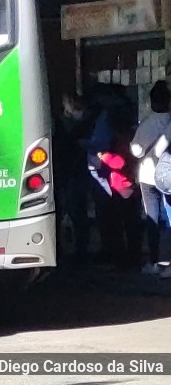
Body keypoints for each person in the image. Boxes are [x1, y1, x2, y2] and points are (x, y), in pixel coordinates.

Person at [87, 84, 134, 263]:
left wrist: (101, 155)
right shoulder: (124, 112)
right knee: (124, 217)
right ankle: (124, 253)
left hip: (111, 172)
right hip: (117, 173)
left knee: (111, 215)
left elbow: (114, 150)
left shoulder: (112, 114)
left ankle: (116, 254)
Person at [131, 81, 171, 275]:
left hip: (148, 176)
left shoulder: (147, 123)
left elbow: (136, 151)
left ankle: (155, 261)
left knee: (152, 219)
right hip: (169, 179)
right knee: (169, 220)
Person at [96, 109, 142, 269]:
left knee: (123, 225)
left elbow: (120, 163)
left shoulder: (122, 140)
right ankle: (133, 256)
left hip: (123, 187)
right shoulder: (131, 136)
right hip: (128, 185)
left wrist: (105, 157)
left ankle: (124, 260)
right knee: (131, 224)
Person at [53, 93, 93, 263]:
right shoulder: (80, 124)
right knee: (77, 213)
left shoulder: (61, 124)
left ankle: (70, 250)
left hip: (67, 173)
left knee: (70, 212)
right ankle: (80, 250)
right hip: (74, 172)